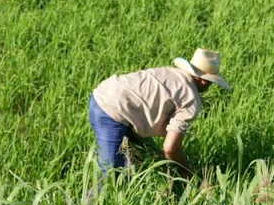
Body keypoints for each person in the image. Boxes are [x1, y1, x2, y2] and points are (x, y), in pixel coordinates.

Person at [89, 48, 231, 179]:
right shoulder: (191, 98)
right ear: (204, 81)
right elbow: (170, 148)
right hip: (110, 111)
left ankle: (145, 187)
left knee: (148, 157)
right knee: (110, 174)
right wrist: (187, 172)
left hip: (102, 93)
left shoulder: (170, 72)